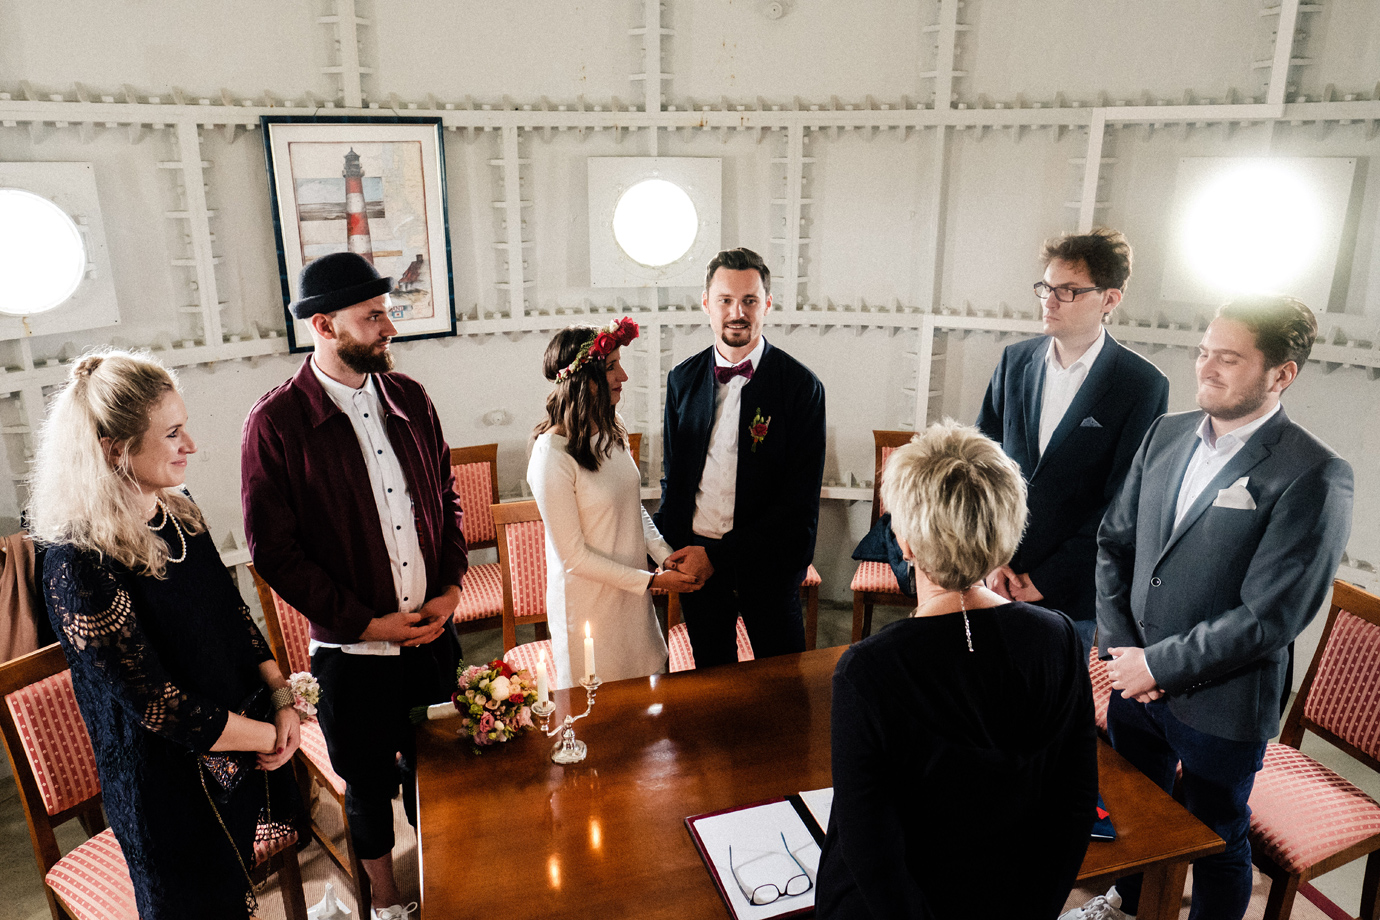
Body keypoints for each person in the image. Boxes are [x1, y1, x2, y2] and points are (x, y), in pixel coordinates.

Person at [1064, 296, 1354, 920]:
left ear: (1282, 374)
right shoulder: (1165, 433)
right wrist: (1121, 653)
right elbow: (1114, 542)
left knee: (1217, 838)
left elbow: (1271, 615)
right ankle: (1127, 906)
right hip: (1130, 677)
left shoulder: (1316, 473)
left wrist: (1157, 666)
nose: (1207, 369)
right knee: (1135, 817)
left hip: (1222, 700)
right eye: (1203, 353)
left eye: (1229, 358)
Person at [29, 350, 303, 920]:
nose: (191, 445)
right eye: (173, 432)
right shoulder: (77, 560)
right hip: (166, 789)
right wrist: (267, 737)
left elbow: (234, 616)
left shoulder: (181, 511)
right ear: (115, 448)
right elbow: (153, 704)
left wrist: (281, 699)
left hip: (236, 750)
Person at [241, 252, 467, 920]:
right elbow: (273, 552)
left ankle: (451, 876)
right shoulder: (277, 422)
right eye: (373, 317)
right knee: (367, 786)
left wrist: (451, 589)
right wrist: (365, 625)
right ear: (323, 324)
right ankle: (390, 903)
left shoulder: (411, 398)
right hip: (353, 656)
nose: (388, 327)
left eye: (387, 312)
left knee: (443, 771)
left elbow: (448, 499)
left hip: (432, 635)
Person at [817, 420, 1097, 920]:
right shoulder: (1058, 637)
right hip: (1008, 898)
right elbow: (1074, 809)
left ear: (904, 542)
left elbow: (871, 853)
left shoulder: (866, 670)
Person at [977, 228, 1168, 661]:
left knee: (1045, 714)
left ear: (1110, 299)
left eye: (1068, 291)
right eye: (1046, 287)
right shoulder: (1015, 361)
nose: (1050, 300)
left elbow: (1123, 502)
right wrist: (988, 556)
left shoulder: (1141, 384)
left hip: (1068, 590)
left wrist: (1047, 578)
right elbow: (980, 462)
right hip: (993, 572)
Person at [654, 247, 827, 666]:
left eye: (750, 300)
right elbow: (674, 479)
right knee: (711, 686)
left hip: (769, 568)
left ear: (767, 304)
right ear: (706, 304)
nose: (738, 312)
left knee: (783, 686)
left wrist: (719, 556)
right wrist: (667, 552)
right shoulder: (682, 379)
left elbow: (797, 505)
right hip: (698, 564)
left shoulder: (801, 387)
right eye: (725, 301)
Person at [527, 319, 703, 689]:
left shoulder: (612, 428)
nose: (623, 375)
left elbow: (632, 506)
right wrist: (653, 580)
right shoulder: (550, 456)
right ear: (580, 380)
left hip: (632, 597)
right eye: (610, 367)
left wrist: (664, 553)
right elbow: (572, 558)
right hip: (590, 608)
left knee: (648, 701)